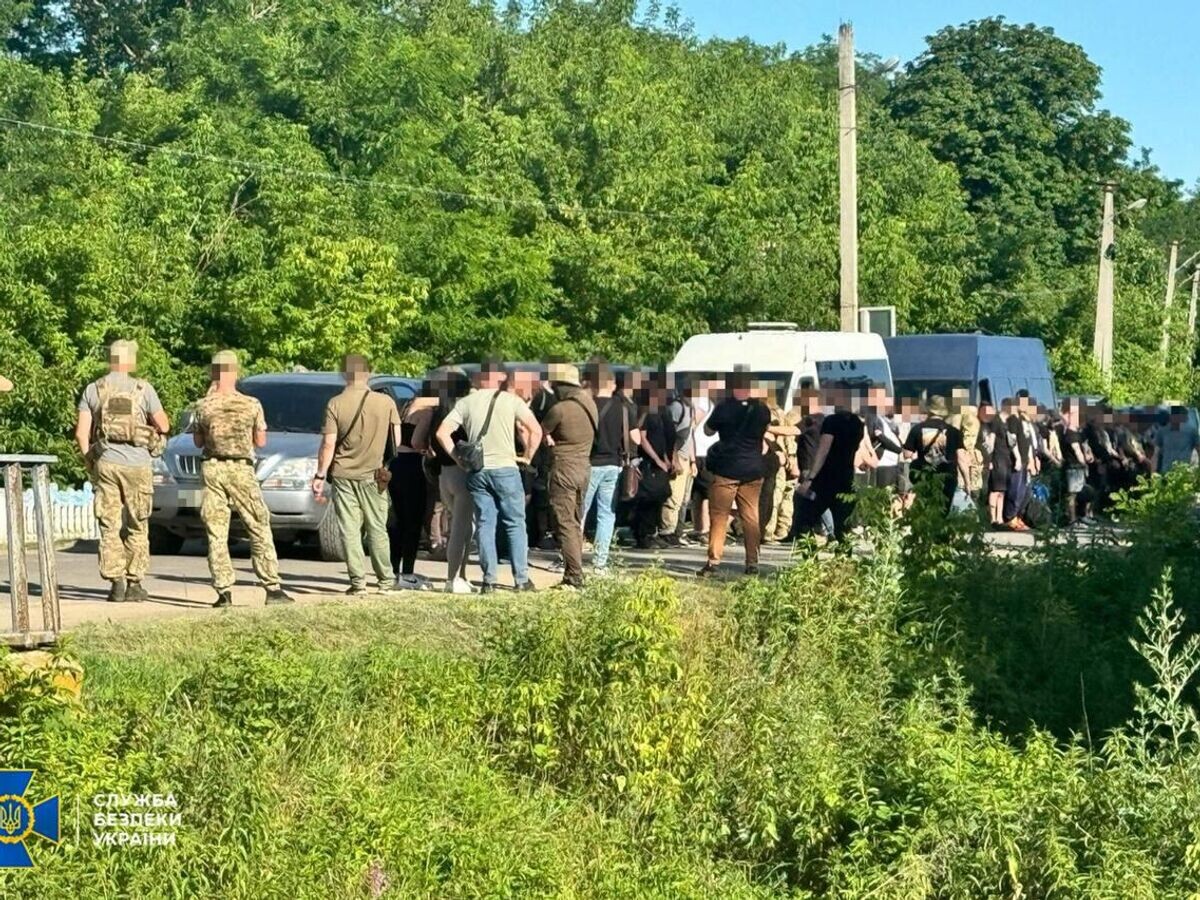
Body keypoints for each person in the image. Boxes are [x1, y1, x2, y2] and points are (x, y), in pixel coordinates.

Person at [190, 351, 293, 609]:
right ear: (235, 372)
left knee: (216, 530)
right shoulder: (252, 404)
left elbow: (198, 441)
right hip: (241, 469)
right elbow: (261, 441)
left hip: (212, 468)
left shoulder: (203, 405)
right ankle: (272, 587)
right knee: (257, 524)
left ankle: (223, 591)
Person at [74, 340, 170, 603]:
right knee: (138, 523)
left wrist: (91, 461)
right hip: (138, 464)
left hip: (106, 462)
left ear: (110, 360)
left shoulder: (94, 389)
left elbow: (82, 434)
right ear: (130, 361)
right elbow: (164, 425)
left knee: (109, 524)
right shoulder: (143, 389)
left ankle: (115, 582)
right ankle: (134, 582)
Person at [435, 359, 542, 593]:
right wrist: (527, 457)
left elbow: (442, 432)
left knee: (485, 525)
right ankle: (521, 579)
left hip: (478, 470)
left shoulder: (466, 403)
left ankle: (489, 580)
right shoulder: (512, 401)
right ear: (501, 378)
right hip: (506, 468)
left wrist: (457, 458)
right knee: (515, 523)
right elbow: (536, 430)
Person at [313, 355, 400, 596]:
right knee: (377, 528)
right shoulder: (386, 402)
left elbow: (328, 444)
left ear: (344, 374)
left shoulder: (335, 403)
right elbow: (397, 441)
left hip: (343, 474)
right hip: (374, 475)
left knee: (349, 529)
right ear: (369, 373)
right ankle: (385, 582)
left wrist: (320, 475)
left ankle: (358, 583)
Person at [698, 369, 771, 576]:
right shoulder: (762, 410)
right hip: (754, 468)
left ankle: (713, 562)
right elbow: (763, 432)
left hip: (727, 468)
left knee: (719, 515)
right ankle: (752, 562)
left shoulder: (723, 408)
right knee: (751, 516)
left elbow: (708, 431)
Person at [540, 363, 598, 589]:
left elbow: (542, 431)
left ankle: (574, 575)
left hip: (564, 468)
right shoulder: (590, 404)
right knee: (574, 522)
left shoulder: (560, 409)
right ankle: (576, 570)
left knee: (564, 523)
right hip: (584, 467)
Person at [581, 360, 638, 573]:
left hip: (589, 463)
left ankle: (571, 559)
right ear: (612, 384)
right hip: (613, 465)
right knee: (606, 514)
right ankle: (600, 562)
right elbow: (635, 439)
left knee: (580, 512)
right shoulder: (623, 408)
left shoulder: (587, 405)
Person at [795, 388, 864, 543]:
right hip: (846, 475)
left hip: (826, 476)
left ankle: (810, 554)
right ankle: (844, 558)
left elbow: (823, 450)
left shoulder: (831, 421)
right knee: (842, 523)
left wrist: (811, 478)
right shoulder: (857, 423)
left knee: (806, 517)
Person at [429, 367, 475, 594]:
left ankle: (461, 575)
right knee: (460, 529)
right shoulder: (462, 411)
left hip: (443, 475)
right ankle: (452, 578)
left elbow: (428, 441)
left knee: (463, 528)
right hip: (460, 474)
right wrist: (459, 459)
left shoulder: (438, 410)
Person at [389, 384, 437, 591]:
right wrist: (428, 451)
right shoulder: (425, 412)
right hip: (412, 464)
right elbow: (417, 441)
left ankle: (393, 571)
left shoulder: (406, 407)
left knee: (398, 521)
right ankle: (407, 573)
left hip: (396, 463)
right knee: (413, 521)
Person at [632, 378, 675, 550]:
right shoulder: (647, 412)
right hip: (649, 462)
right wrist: (657, 459)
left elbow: (664, 438)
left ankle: (653, 532)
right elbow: (642, 438)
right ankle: (644, 534)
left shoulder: (662, 412)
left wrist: (666, 458)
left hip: (660, 460)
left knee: (660, 496)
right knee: (649, 497)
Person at [903, 395, 960, 508]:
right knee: (943, 509)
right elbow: (961, 457)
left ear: (929, 411)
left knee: (925, 507)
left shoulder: (917, 429)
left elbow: (907, 454)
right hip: (947, 477)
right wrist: (967, 482)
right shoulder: (954, 432)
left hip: (924, 476)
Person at [659, 376, 696, 547]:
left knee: (683, 499)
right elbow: (670, 434)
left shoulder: (691, 408)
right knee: (673, 497)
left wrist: (693, 461)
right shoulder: (677, 407)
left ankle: (676, 530)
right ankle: (667, 530)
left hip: (687, 457)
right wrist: (673, 458)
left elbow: (690, 436)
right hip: (678, 456)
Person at [1154, 406, 1198, 474]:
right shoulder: (1192, 430)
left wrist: (1153, 472)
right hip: (1184, 472)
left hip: (1166, 471)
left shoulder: (1162, 430)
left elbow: (1155, 454)